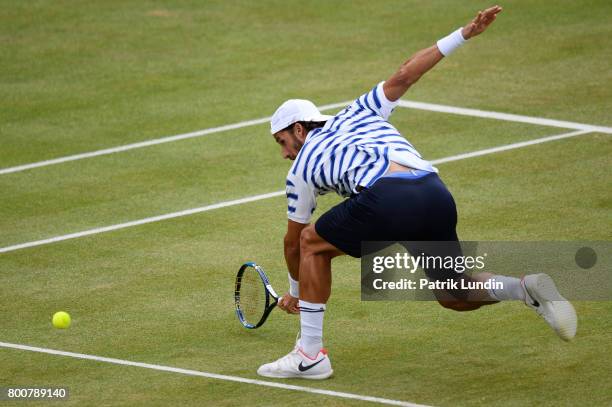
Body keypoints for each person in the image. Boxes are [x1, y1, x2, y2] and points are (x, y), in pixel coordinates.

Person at [257, 5, 577, 380]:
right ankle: (524, 289)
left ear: (298, 128)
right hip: (435, 193)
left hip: (388, 198)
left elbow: (295, 243)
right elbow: (406, 74)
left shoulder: (300, 169)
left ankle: (310, 354)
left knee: (313, 243)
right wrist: (465, 33)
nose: (284, 153)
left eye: (282, 141)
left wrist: (296, 290)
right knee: (454, 295)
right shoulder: (357, 112)